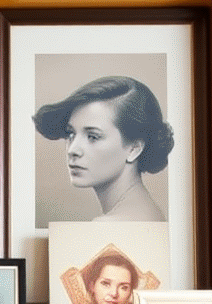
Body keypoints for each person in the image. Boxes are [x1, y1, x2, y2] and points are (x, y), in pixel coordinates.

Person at [33, 75, 174, 222]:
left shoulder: (109, 225)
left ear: (134, 148)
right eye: (71, 133)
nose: (72, 150)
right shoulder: (148, 211)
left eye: (93, 137)